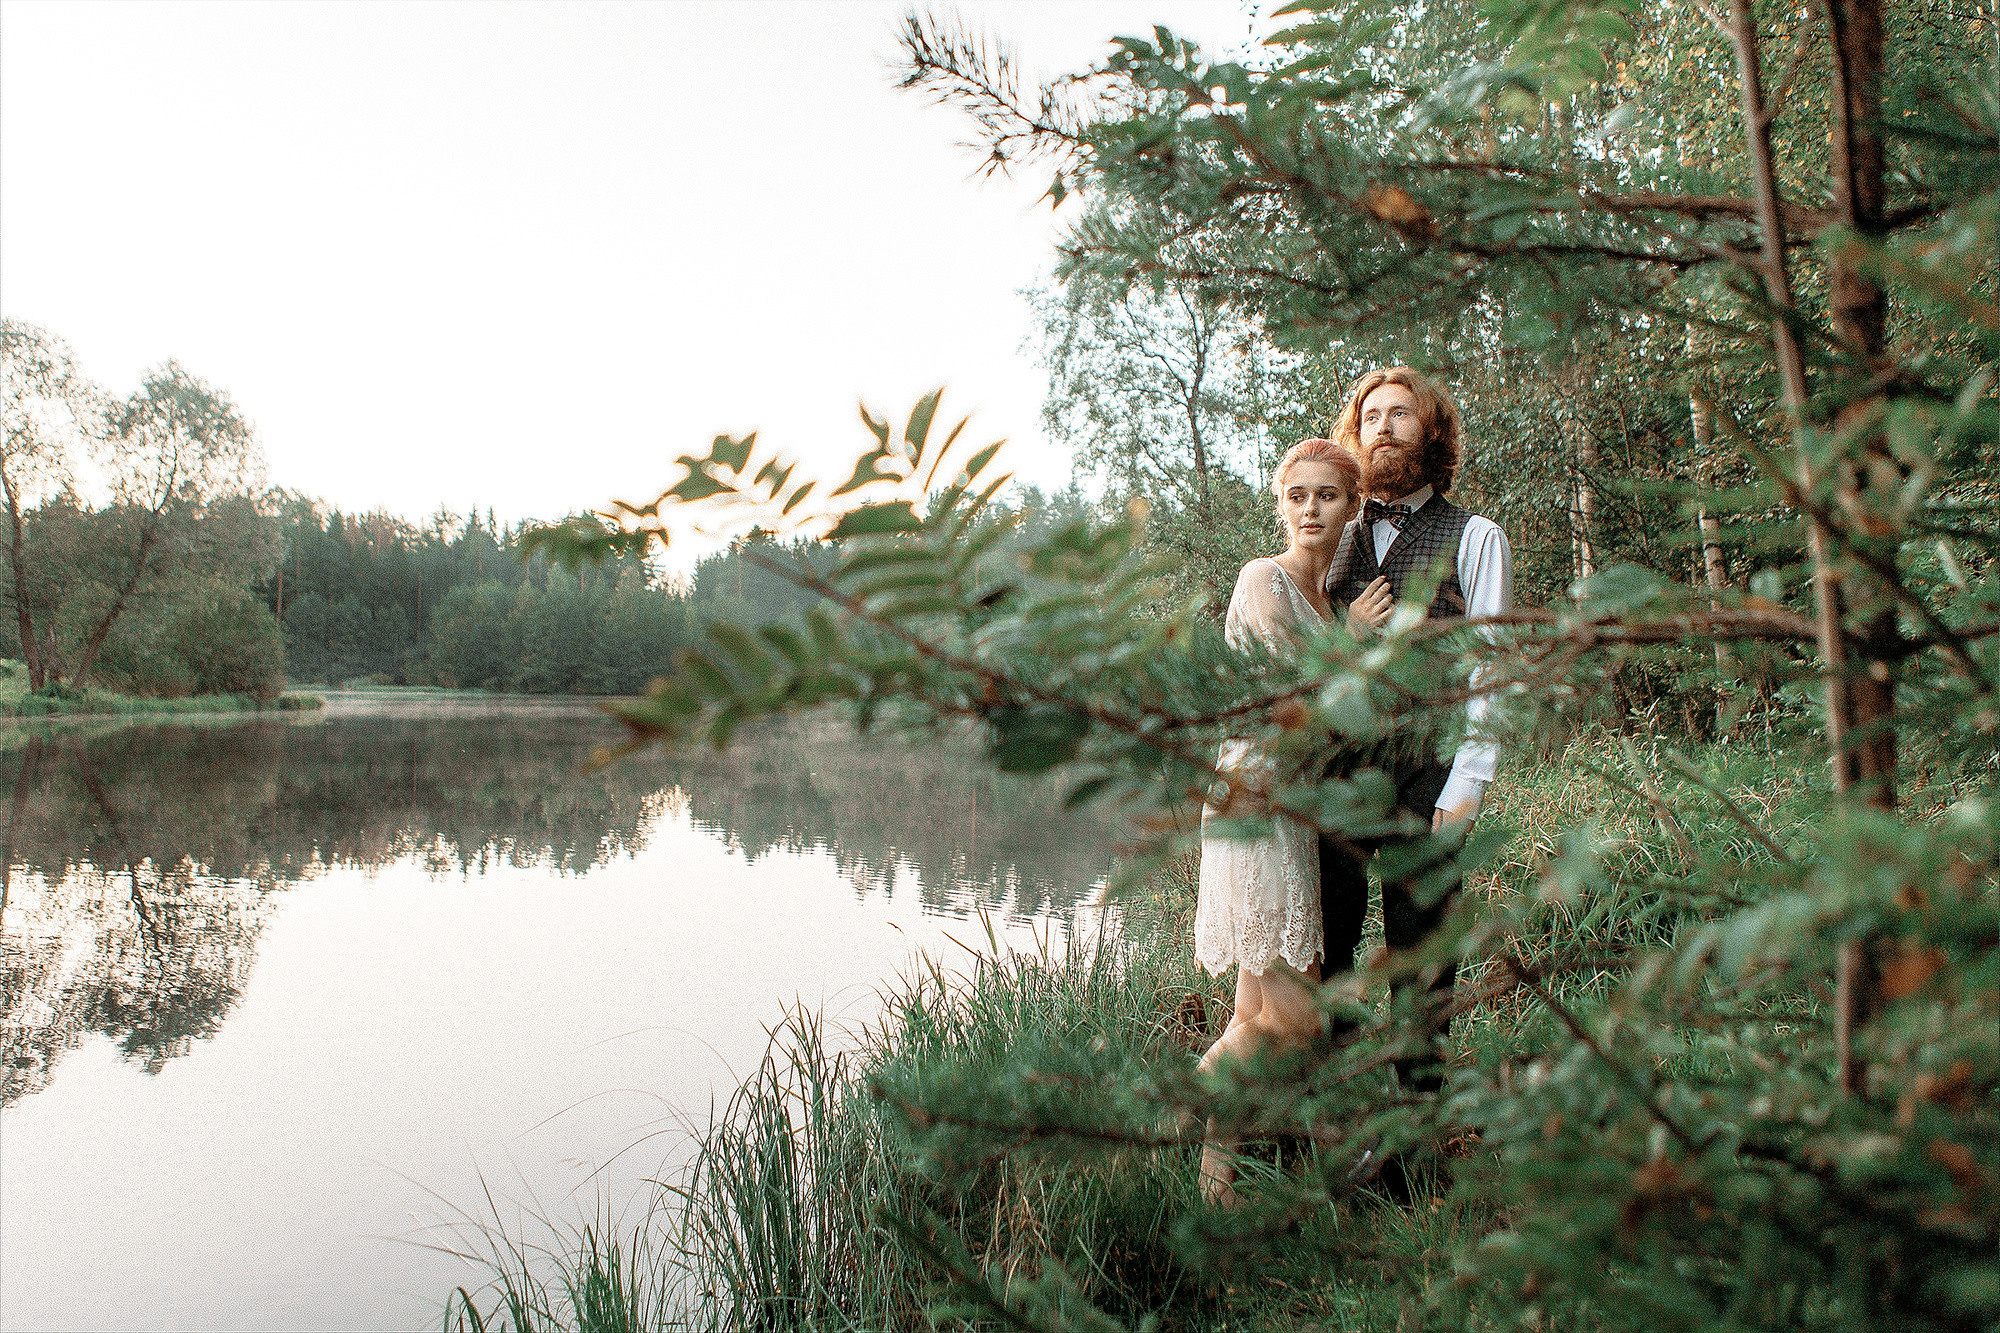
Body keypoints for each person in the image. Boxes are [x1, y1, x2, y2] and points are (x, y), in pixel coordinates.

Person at [1191, 437, 1389, 1206]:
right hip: (1254, 805)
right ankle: (1209, 1121)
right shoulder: (1263, 579)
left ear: (1353, 507)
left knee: (1258, 1005)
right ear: (1280, 504)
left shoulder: (1328, 600)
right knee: (1299, 1020)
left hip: (1293, 814)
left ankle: (1219, 1187)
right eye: (1296, 494)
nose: (1310, 509)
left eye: (1327, 496)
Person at [1319, 366, 1513, 1116]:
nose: (1385, 428)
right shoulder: (1331, 535)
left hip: (1432, 773)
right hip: (1338, 771)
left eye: (1401, 415)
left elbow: (1492, 665)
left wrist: (1469, 782)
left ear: (1430, 433)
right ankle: (1336, 1113)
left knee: (1420, 959)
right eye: (1371, 417)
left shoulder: (1476, 535)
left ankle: (1413, 1136)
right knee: (1329, 949)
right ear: (1356, 434)